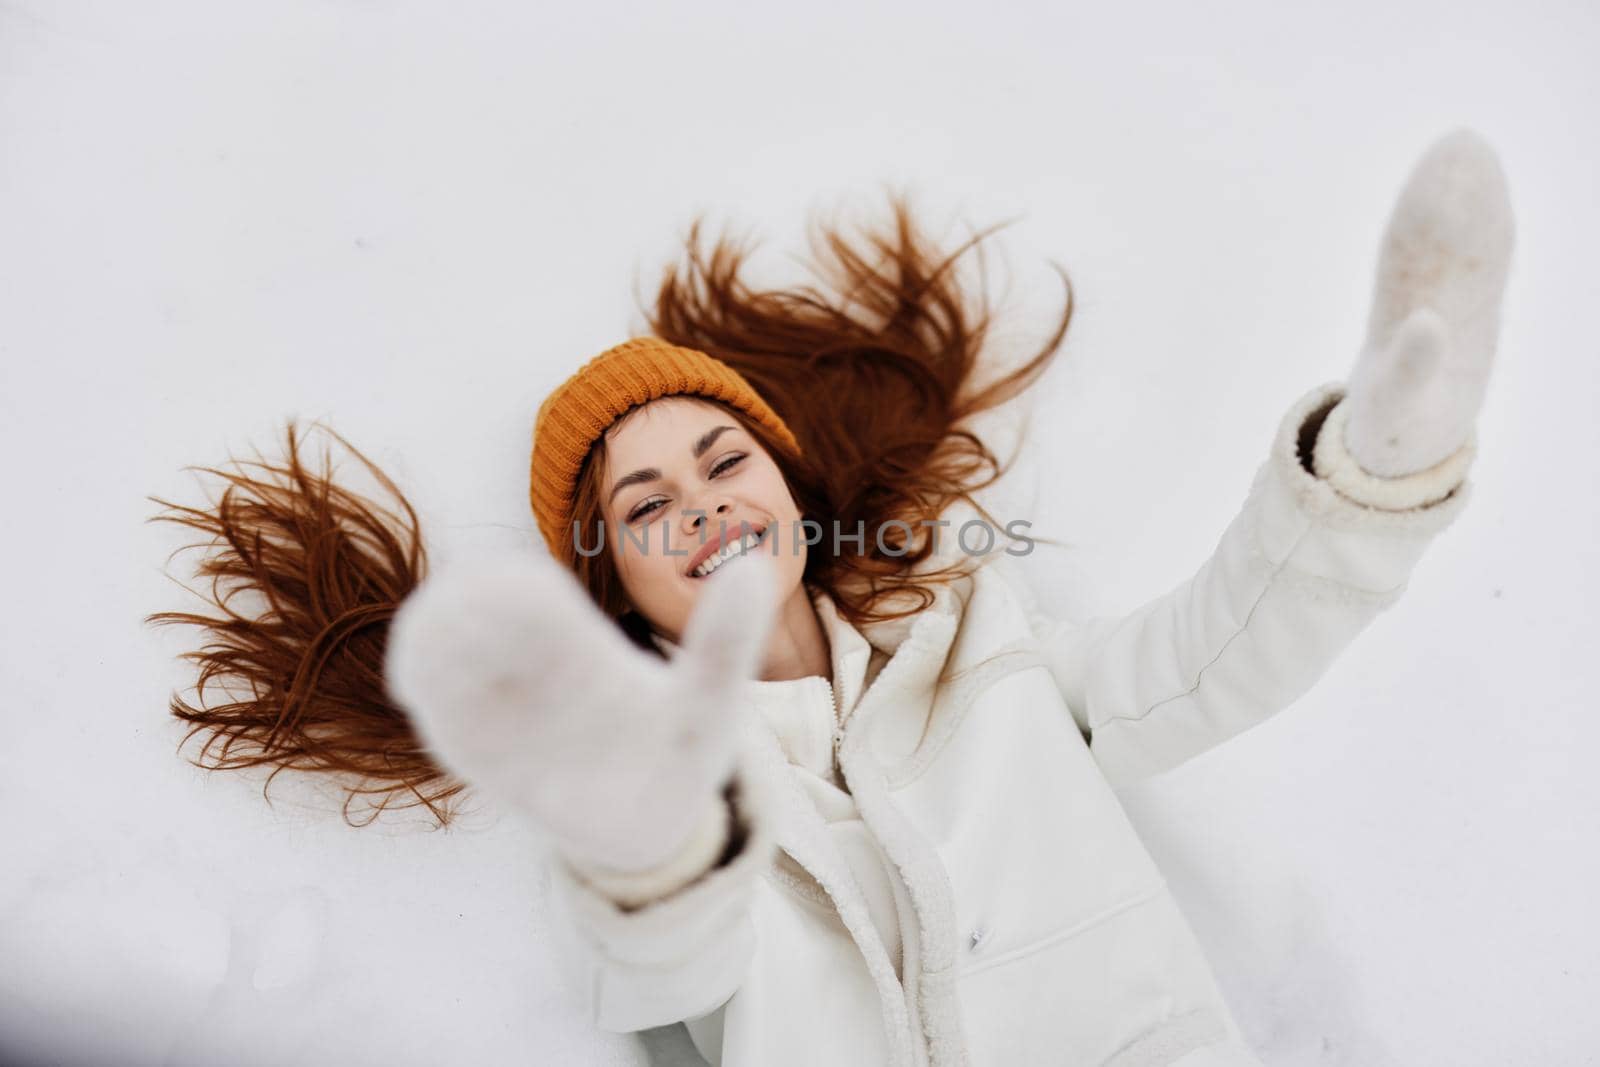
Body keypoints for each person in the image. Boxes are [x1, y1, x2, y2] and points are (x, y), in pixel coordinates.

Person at [148, 128, 1514, 1066]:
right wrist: (646, 848)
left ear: (795, 493)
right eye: (642, 510)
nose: (700, 507)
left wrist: (1367, 482)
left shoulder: (985, 650)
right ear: (613, 588)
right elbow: (662, 968)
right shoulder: (663, 774)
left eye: (722, 458)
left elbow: (1213, 658)